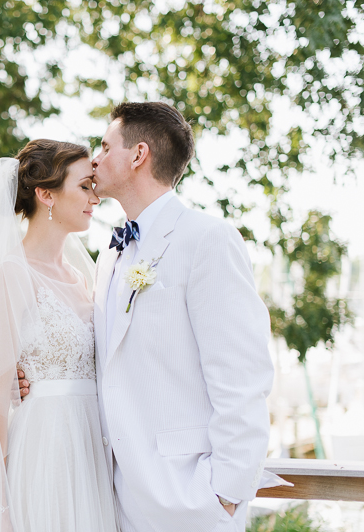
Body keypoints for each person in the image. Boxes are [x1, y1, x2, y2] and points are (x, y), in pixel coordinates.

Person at [18, 102, 288, 532]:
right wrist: (23, 375)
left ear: (138, 155)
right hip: (114, 497)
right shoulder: (109, 255)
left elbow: (243, 377)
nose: (96, 159)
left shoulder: (207, 239)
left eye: (106, 146)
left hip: (191, 501)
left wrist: (224, 495)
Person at [0, 140, 118, 532]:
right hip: (44, 450)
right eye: (84, 186)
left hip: (91, 452)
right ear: (45, 194)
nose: (95, 198)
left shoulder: (82, 277)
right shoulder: (12, 273)